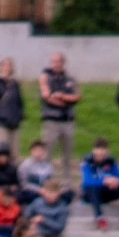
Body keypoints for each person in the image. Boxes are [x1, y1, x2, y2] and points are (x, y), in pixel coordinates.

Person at [38, 52, 80, 188]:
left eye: (59, 62)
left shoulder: (69, 79)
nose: (56, 64)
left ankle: (67, 184)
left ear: (63, 63)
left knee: (67, 155)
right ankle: (46, 182)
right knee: (47, 153)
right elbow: (47, 96)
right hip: (51, 120)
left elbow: (77, 97)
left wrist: (62, 96)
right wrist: (64, 100)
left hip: (68, 120)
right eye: (54, 62)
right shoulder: (46, 78)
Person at [81, 137, 119, 229]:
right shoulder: (87, 162)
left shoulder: (110, 162)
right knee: (92, 188)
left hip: (107, 191)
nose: (100, 157)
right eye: (98, 154)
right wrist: (105, 181)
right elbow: (87, 181)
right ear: (93, 151)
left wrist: (117, 181)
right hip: (91, 194)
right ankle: (100, 218)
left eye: (102, 155)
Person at [0, 58, 24, 159]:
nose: (8, 68)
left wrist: (19, 116)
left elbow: (20, 102)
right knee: (1, 153)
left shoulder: (15, 84)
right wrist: (2, 115)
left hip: (14, 124)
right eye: (5, 65)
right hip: (0, 123)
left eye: (10, 65)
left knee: (14, 155)